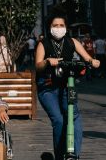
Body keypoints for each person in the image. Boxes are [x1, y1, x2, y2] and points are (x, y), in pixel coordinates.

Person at [35, 9, 100, 160]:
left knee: (74, 116)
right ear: (49, 27)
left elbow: (86, 57)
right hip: (47, 87)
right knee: (58, 120)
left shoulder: (72, 42)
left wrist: (92, 61)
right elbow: (38, 65)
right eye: (55, 25)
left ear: (66, 27)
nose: (58, 28)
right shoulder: (43, 44)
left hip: (66, 84)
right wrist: (46, 62)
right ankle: (59, 155)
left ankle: (73, 155)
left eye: (61, 25)